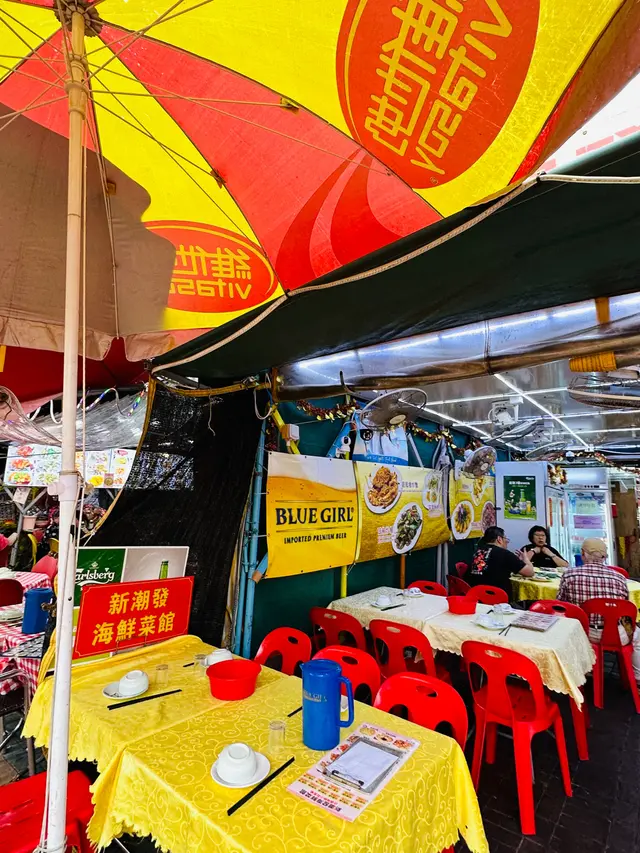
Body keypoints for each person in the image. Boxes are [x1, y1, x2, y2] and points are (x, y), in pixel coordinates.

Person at [558, 537, 640, 683]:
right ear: (604, 556)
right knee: (638, 636)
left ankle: (575, 671)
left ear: (583, 554)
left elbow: (561, 606)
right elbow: (625, 610)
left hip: (581, 633)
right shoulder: (619, 578)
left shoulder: (570, 575)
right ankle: (637, 679)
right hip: (616, 635)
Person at [469, 525, 535, 597]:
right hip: (497, 597)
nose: (507, 542)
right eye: (505, 538)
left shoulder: (477, 552)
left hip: (474, 595)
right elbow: (530, 572)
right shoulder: (505, 554)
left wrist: (517, 562)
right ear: (499, 539)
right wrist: (526, 558)